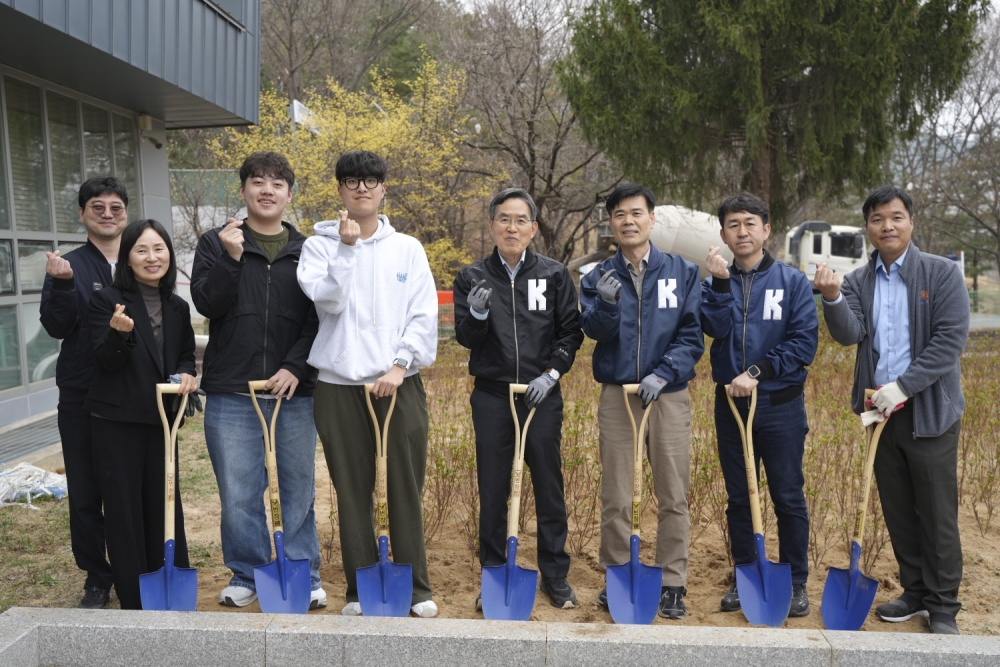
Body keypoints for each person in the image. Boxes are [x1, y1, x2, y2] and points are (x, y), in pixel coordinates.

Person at [815, 185, 969, 635]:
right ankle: (916, 591)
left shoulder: (941, 274)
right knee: (898, 508)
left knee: (936, 512)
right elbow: (849, 334)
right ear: (868, 227)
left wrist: (902, 387)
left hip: (929, 413)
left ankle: (942, 605)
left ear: (911, 222)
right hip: (880, 413)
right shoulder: (859, 280)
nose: (887, 226)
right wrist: (831, 298)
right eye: (878, 219)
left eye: (896, 217)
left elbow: (948, 344)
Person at [297, 150, 439, 618]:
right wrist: (347, 248)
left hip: (400, 384)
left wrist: (399, 365)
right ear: (339, 189)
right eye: (352, 181)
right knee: (351, 488)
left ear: (383, 189)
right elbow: (329, 302)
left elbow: (422, 314)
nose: (362, 188)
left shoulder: (408, 248)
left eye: (371, 180)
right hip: (339, 386)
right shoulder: (318, 246)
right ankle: (360, 589)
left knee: (404, 484)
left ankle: (416, 587)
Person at [190, 152, 324, 609]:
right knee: (239, 489)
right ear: (244, 190)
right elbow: (208, 304)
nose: (267, 190)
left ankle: (304, 575)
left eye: (277, 183)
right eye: (258, 182)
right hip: (231, 388)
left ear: (289, 194)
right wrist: (231, 258)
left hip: (294, 391)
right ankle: (247, 573)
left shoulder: (309, 250)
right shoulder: (216, 242)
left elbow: (320, 319)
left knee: (298, 486)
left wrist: (295, 366)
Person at [453, 188, 585, 610]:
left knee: (548, 485)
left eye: (520, 220)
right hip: (492, 397)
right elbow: (465, 339)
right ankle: (494, 574)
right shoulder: (472, 277)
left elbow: (571, 332)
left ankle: (555, 575)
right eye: (504, 219)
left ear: (533, 228)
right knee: (493, 489)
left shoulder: (555, 275)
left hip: (540, 395)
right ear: (492, 225)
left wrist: (551, 374)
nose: (512, 227)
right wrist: (474, 316)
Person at [579, 183, 704, 619]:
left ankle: (673, 582)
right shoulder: (596, 277)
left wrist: (664, 371)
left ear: (652, 219)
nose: (628, 221)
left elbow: (692, 335)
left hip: (667, 396)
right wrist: (608, 306)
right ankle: (617, 573)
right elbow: (594, 331)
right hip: (618, 395)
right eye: (619, 215)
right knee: (616, 492)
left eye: (636, 213)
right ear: (610, 223)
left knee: (672, 492)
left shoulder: (682, 272)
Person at [700, 193, 818, 617]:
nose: (742, 231)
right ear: (723, 234)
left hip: (779, 404)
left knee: (787, 495)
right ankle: (745, 573)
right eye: (733, 224)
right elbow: (712, 328)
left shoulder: (792, 282)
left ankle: (796, 581)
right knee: (739, 497)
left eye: (750, 223)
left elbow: (804, 343)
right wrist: (717, 284)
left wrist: (757, 372)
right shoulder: (716, 279)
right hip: (731, 405)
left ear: (766, 230)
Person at [85, 219, 197, 611]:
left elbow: (184, 353)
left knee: (164, 502)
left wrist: (187, 372)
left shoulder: (178, 306)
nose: (153, 257)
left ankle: (168, 580)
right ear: (128, 258)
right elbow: (103, 362)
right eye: (142, 250)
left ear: (169, 253)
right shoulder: (108, 300)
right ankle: (134, 597)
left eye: (159, 249)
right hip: (117, 421)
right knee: (124, 510)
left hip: (162, 419)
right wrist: (118, 335)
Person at [39, 177, 130, 608]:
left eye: (115, 206)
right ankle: (97, 575)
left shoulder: (142, 260)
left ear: (125, 213)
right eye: (98, 206)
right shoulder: (68, 266)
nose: (108, 213)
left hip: (133, 394)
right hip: (81, 395)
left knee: (129, 487)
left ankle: (135, 565)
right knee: (85, 490)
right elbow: (57, 327)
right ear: (82, 214)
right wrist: (60, 285)